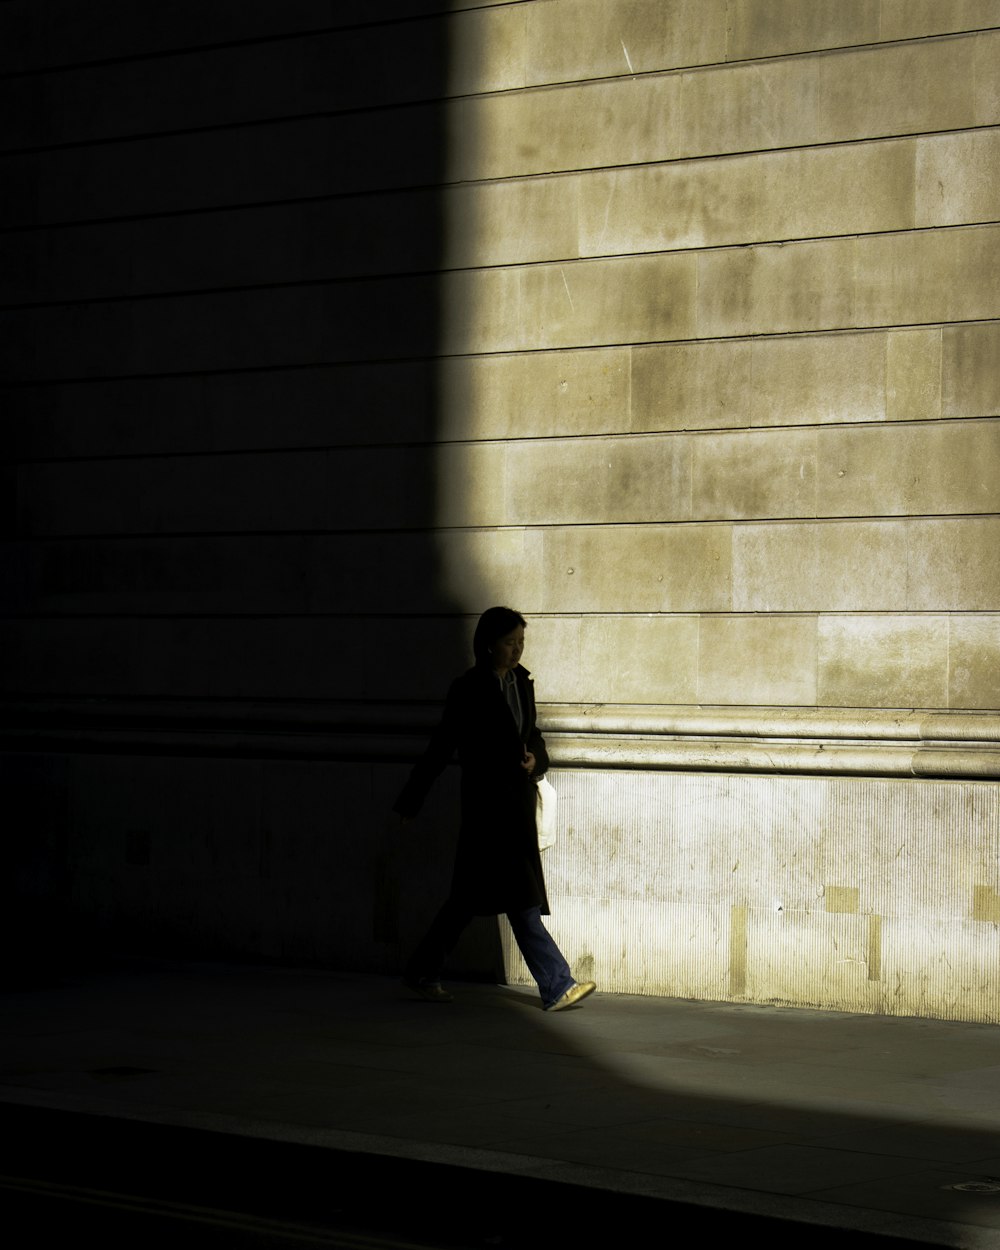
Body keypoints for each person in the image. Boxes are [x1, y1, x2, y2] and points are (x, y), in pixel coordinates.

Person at [393, 606, 596, 1012]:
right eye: (509, 643)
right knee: (519, 900)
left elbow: (532, 735)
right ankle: (557, 984)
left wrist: (535, 760)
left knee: (466, 901)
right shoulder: (468, 689)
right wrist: (412, 799)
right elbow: (442, 745)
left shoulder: (521, 683)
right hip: (488, 810)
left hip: (514, 809)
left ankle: (422, 971)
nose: (517, 650)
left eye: (521, 641)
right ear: (489, 645)